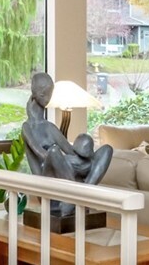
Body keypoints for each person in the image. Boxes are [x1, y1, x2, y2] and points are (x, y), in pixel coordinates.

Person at [21, 73, 112, 218]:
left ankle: (78, 197)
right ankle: (77, 198)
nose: (49, 96)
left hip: (64, 173)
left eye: (50, 92)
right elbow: (43, 155)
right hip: (46, 182)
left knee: (107, 150)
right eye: (46, 92)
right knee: (54, 152)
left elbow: (70, 151)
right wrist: (70, 161)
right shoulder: (27, 128)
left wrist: (84, 147)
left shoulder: (49, 127)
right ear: (38, 93)